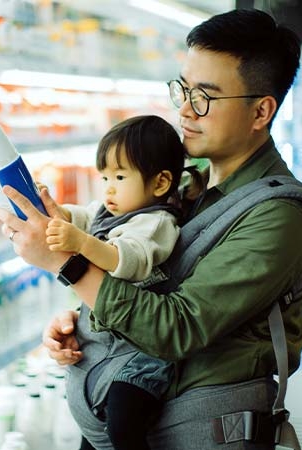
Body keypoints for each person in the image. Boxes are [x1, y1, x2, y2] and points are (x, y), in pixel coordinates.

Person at [0, 9, 302, 450]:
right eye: (182, 88)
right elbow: (142, 283)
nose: (184, 109)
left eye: (204, 97)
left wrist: (70, 266)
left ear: (261, 111)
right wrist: (86, 319)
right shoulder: (186, 187)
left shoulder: (277, 216)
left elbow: (177, 327)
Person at [42, 114, 201, 450]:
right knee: (96, 433)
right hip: (108, 349)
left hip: (140, 358)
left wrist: (81, 243)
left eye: (119, 176)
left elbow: (128, 260)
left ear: (159, 183)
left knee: (123, 428)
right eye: (104, 177)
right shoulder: (113, 209)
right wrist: (58, 213)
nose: (109, 188)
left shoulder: (156, 222)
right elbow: (85, 216)